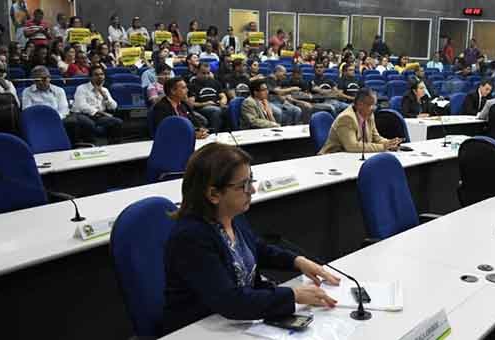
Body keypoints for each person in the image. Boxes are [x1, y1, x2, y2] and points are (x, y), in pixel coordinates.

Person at [163, 142, 339, 334]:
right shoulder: (191, 237)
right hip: (195, 329)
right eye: (244, 185)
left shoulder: (231, 215)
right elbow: (230, 301)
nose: (253, 190)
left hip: (231, 321)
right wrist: (292, 295)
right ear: (214, 194)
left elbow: (257, 249)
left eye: (251, 181)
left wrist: (298, 261)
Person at [318, 88, 401, 154]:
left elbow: (376, 138)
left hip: (354, 156)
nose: (374, 108)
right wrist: (383, 147)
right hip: (333, 158)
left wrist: (390, 143)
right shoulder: (346, 118)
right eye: (370, 105)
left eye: (374, 105)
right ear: (360, 104)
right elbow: (352, 146)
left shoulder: (369, 115)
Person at [71, 65, 123, 143]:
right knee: (89, 123)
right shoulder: (81, 88)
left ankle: (114, 146)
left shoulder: (105, 90)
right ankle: (91, 147)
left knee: (117, 122)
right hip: (83, 115)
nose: (100, 77)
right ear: (90, 77)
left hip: (99, 117)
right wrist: (101, 113)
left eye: (102, 74)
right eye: (96, 75)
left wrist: (104, 96)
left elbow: (114, 106)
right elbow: (81, 106)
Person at [188, 63, 228, 132]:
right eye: (203, 73)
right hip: (202, 108)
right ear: (197, 71)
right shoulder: (192, 85)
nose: (206, 76)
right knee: (215, 111)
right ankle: (214, 133)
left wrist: (223, 101)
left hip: (217, 105)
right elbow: (191, 104)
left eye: (208, 73)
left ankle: (229, 133)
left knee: (230, 108)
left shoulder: (215, 82)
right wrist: (205, 103)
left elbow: (223, 95)